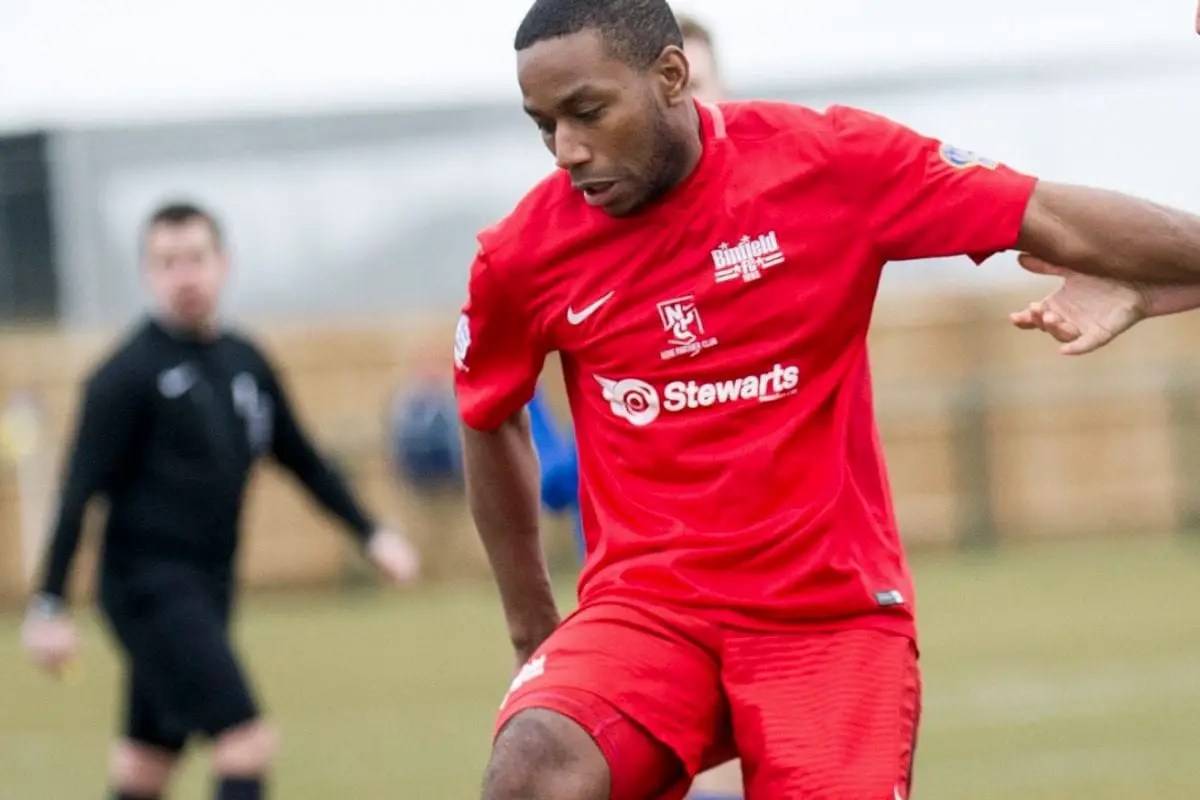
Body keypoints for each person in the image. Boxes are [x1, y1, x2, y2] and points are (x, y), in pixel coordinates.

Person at [453, 0, 1200, 797]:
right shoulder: (523, 254)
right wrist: (533, 631)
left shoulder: (827, 163)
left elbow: (1048, 214)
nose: (567, 150)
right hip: (647, 613)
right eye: (544, 125)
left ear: (671, 77)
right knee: (533, 766)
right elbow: (487, 414)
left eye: (588, 113)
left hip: (829, 618)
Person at [20, 202, 420, 800]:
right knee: (245, 740)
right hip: (147, 589)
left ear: (223, 263)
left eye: (195, 258)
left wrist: (372, 533)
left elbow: (302, 459)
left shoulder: (245, 361)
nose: (184, 275)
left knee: (146, 763)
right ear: (147, 273)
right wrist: (49, 604)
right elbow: (78, 493)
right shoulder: (123, 376)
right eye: (167, 262)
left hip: (209, 586)